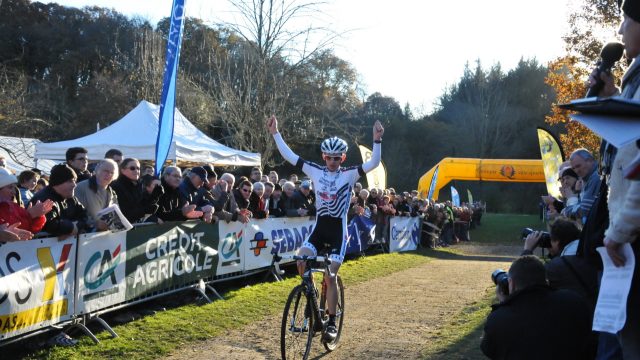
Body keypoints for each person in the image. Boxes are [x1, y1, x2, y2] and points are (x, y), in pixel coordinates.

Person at [267, 114, 383, 341]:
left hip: (338, 232)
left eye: (336, 158)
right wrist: (275, 134)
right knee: (301, 260)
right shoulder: (314, 170)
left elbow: (373, 163)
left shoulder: (349, 174)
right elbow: (290, 156)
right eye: (328, 158)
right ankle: (310, 293)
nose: (332, 162)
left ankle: (331, 322)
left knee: (330, 275)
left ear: (342, 158)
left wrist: (377, 140)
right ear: (323, 156)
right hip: (319, 229)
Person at [588, 2, 640, 357]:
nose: (620, 30)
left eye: (627, 20)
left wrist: (619, 232)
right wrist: (612, 100)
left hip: (632, 236)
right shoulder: (635, 79)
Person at [480, 255, 592, 360]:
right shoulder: (574, 300)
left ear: (511, 283)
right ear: (546, 280)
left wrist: (505, 304)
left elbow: (489, 350)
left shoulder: (499, 318)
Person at [30, 164, 89, 238]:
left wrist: (76, 227)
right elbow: (48, 224)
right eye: (70, 181)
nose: (74, 185)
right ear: (58, 183)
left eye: (74, 181)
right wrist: (70, 228)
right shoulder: (44, 199)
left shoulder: (71, 198)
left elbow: (84, 215)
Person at [0, 168, 52, 236]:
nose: (14, 192)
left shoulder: (13, 206)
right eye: (10, 187)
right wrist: (30, 215)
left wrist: (37, 216)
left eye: (14, 187)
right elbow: (14, 229)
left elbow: (29, 231)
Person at [111, 158, 163, 223]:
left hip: (136, 226)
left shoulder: (138, 186)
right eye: (132, 168)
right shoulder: (116, 186)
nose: (136, 171)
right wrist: (145, 210)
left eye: (138, 168)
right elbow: (125, 214)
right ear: (122, 170)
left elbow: (141, 205)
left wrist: (154, 197)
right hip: (123, 229)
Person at [75, 159, 119, 231]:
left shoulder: (112, 193)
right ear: (97, 170)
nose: (109, 175)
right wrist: (95, 223)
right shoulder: (81, 187)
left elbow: (115, 216)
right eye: (106, 171)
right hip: (83, 235)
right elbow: (75, 214)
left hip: (104, 235)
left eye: (112, 173)